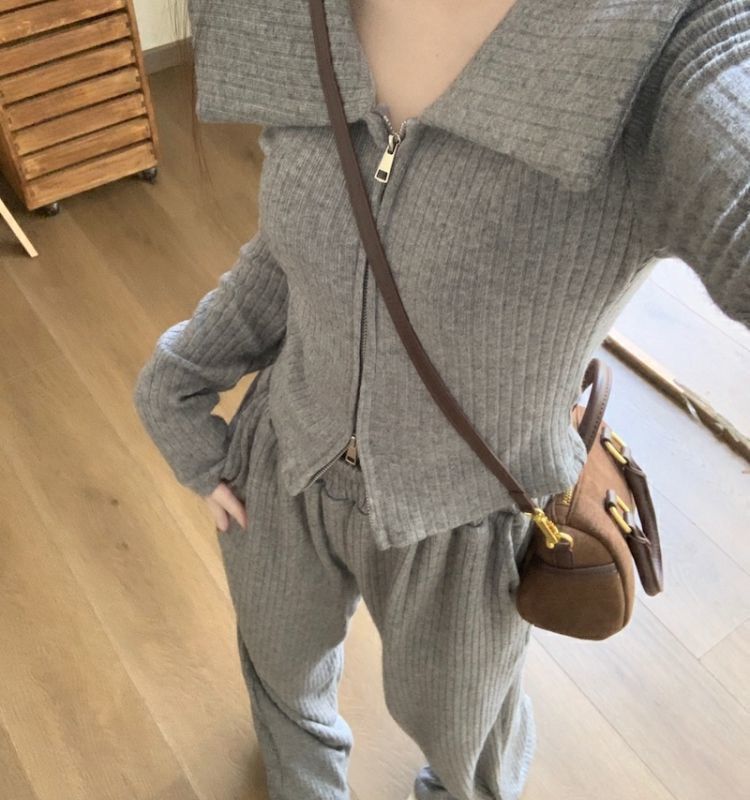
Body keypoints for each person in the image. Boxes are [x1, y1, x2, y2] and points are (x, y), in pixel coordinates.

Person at [133, 1, 750, 798]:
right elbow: (303, 244)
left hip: (467, 522)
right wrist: (178, 379)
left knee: (466, 737)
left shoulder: (678, 39)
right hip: (282, 465)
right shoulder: (291, 13)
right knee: (280, 676)